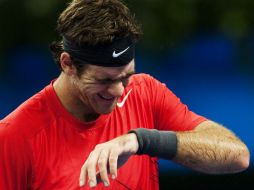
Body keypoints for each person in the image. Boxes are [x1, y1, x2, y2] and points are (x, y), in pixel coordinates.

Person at [0, 0, 250, 189]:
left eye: (126, 76)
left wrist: (140, 140)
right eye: (104, 80)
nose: (119, 91)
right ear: (68, 64)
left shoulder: (145, 92)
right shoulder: (14, 137)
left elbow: (237, 156)